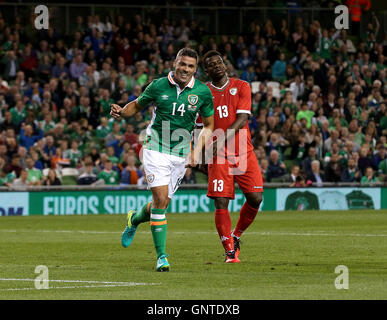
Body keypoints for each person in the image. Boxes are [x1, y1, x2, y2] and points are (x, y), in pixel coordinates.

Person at [110, 48, 214, 272]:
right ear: (175, 63)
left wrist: (196, 152)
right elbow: (137, 105)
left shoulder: (203, 92)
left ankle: (134, 219)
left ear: (195, 69)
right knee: (160, 199)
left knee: (161, 203)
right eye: (182, 64)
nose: (185, 69)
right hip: (154, 147)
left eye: (190, 66)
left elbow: (208, 126)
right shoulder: (158, 85)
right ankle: (161, 257)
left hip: (180, 154)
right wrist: (122, 111)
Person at [200, 50, 263, 263]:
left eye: (219, 62)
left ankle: (236, 235)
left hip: (243, 152)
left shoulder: (242, 86)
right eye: (211, 64)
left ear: (225, 64)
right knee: (221, 202)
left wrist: (220, 139)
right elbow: (200, 126)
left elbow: (242, 119)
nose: (217, 65)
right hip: (217, 155)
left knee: (255, 198)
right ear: (206, 70)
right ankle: (229, 250)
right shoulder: (202, 92)